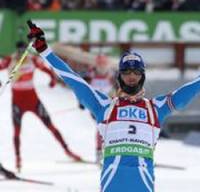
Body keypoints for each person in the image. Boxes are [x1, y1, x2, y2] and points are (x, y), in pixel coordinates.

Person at [27, 22, 200, 192]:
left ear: (142, 76)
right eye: (126, 73)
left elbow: (183, 95)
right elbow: (73, 79)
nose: (131, 77)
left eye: (136, 73)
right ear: (119, 76)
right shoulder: (104, 105)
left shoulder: (155, 108)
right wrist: (45, 51)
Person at [0, 41, 82, 172]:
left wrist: (52, 80)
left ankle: (68, 151)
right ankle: (18, 159)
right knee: (16, 131)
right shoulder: (10, 60)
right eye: (20, 52)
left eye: (24, 52)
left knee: (50, 125)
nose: (22, 54)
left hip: (33, 101)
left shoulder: (32, 59)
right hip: (17, 102)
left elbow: (47, 70)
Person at [80, 54, 116, 164]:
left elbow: (119, 90)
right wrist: (81, 101)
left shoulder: (112, 75)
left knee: (111, 128)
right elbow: (82, 88)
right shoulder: (90, 74)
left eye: (104, 64)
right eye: (100, 64)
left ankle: (112, 153)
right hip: (95, 106)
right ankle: (100, 154)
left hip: (109, 105)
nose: (102, 67)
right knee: (101, 127)